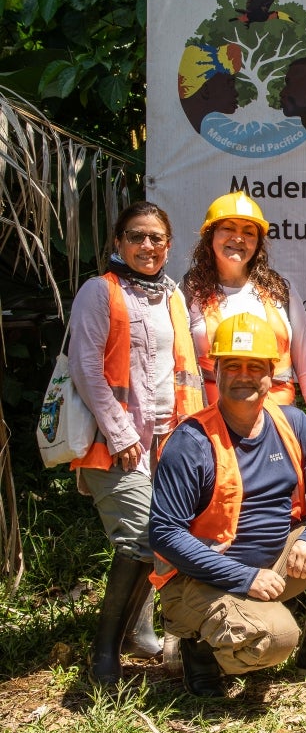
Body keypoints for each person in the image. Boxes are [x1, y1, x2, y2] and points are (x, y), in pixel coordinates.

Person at [149, 313, 306, 696]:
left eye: (254, 366)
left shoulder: (290, 422)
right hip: (201, 580)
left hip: (273, 567)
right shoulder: (191, 441)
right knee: (276, 638)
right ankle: (200, 648)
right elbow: (164, 534)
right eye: (233, 365)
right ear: (216, 370)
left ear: (271, 374)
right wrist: (244, 578)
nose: (243, 376)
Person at [68, 201, 204, 686]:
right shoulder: (98, 293)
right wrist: (122, 433)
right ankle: (104, 651)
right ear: (118, 243)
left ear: (169, 246)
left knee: (158, 537)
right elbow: (86, 369)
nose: (147, 246)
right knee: (141, 538)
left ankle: (135, 633)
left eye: (156, 238)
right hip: (116, 444)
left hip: (168, 441)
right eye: (136, 236)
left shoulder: (172, 297)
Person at [185, 191, 306, 444]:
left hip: (278, 424)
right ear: (210, 237)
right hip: (212, 429)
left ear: (258, 243)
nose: (238, 238)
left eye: (249, 232)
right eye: (228, 228)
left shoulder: (279, 290)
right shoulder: (189, 293)